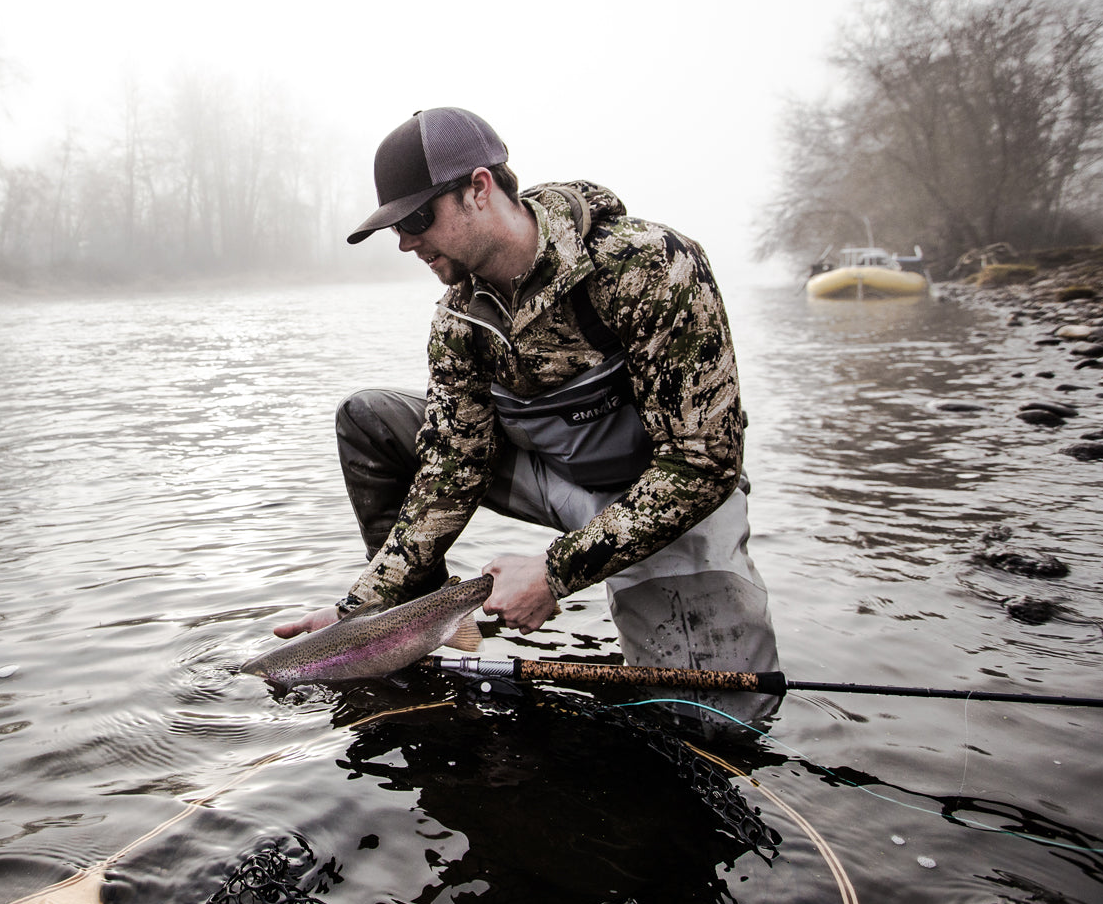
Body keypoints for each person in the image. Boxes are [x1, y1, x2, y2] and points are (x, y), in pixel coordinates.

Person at [274, 107, 780, 726]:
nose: (405, 242)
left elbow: (705, 464)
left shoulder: (651, 266)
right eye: (395, 229)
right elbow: (451, 470)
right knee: (368, 418)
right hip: (554, 478)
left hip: (669, 489)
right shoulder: (457, 324)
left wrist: (553, 573)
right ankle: (421, 627)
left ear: (479, 189)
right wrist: (362, 613)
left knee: (719, 723)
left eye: (415, 219)